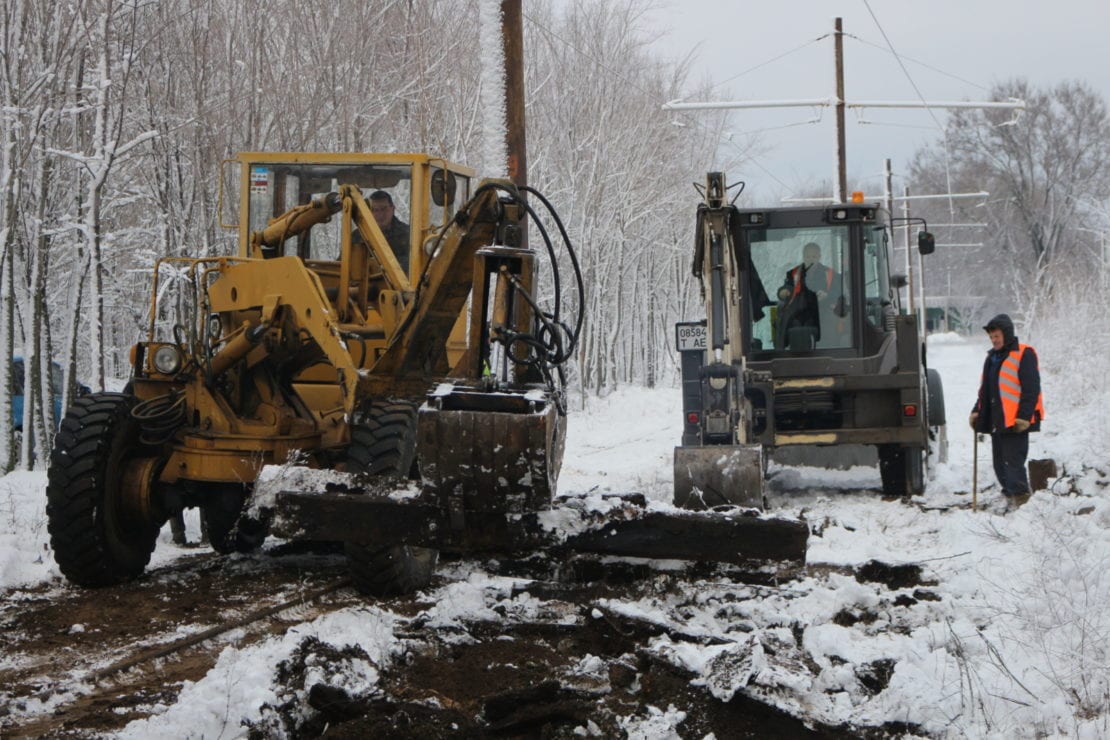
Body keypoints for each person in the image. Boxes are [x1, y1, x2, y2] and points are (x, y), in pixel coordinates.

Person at [969, 313, 1045, 510]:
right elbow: (985, 389)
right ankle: (1009, 493)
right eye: (992, 337)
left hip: (1016, 420)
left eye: (997, 336)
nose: (994, 340)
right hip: (997, 419)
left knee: (1013, 462)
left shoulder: (1024, 354)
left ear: (1007, 334)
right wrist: (976, 411)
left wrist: (1024, 416)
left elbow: (1031, 389)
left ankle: (1021, 499)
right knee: (999, 463)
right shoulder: (992, 358)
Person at [776, 242, 840, 347]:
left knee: (829, 323)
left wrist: (827, 296)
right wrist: (782, 292)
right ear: (803, 257)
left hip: (823, 310)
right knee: (787, 319)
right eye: (808, 256)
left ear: (819, 257)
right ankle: (784, 350)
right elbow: (787, 287)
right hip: (799, 311)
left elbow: (838, 292)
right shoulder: (794, 273)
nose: (811, 259)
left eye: (814, 256)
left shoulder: (830, 274)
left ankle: (828, 350)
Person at [367, 190, 411, 272]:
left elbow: (414, 263)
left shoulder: (408, 235)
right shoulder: (358, 236)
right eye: (374, 210)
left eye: (384, 209)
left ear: (393, 208)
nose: (379, 214)